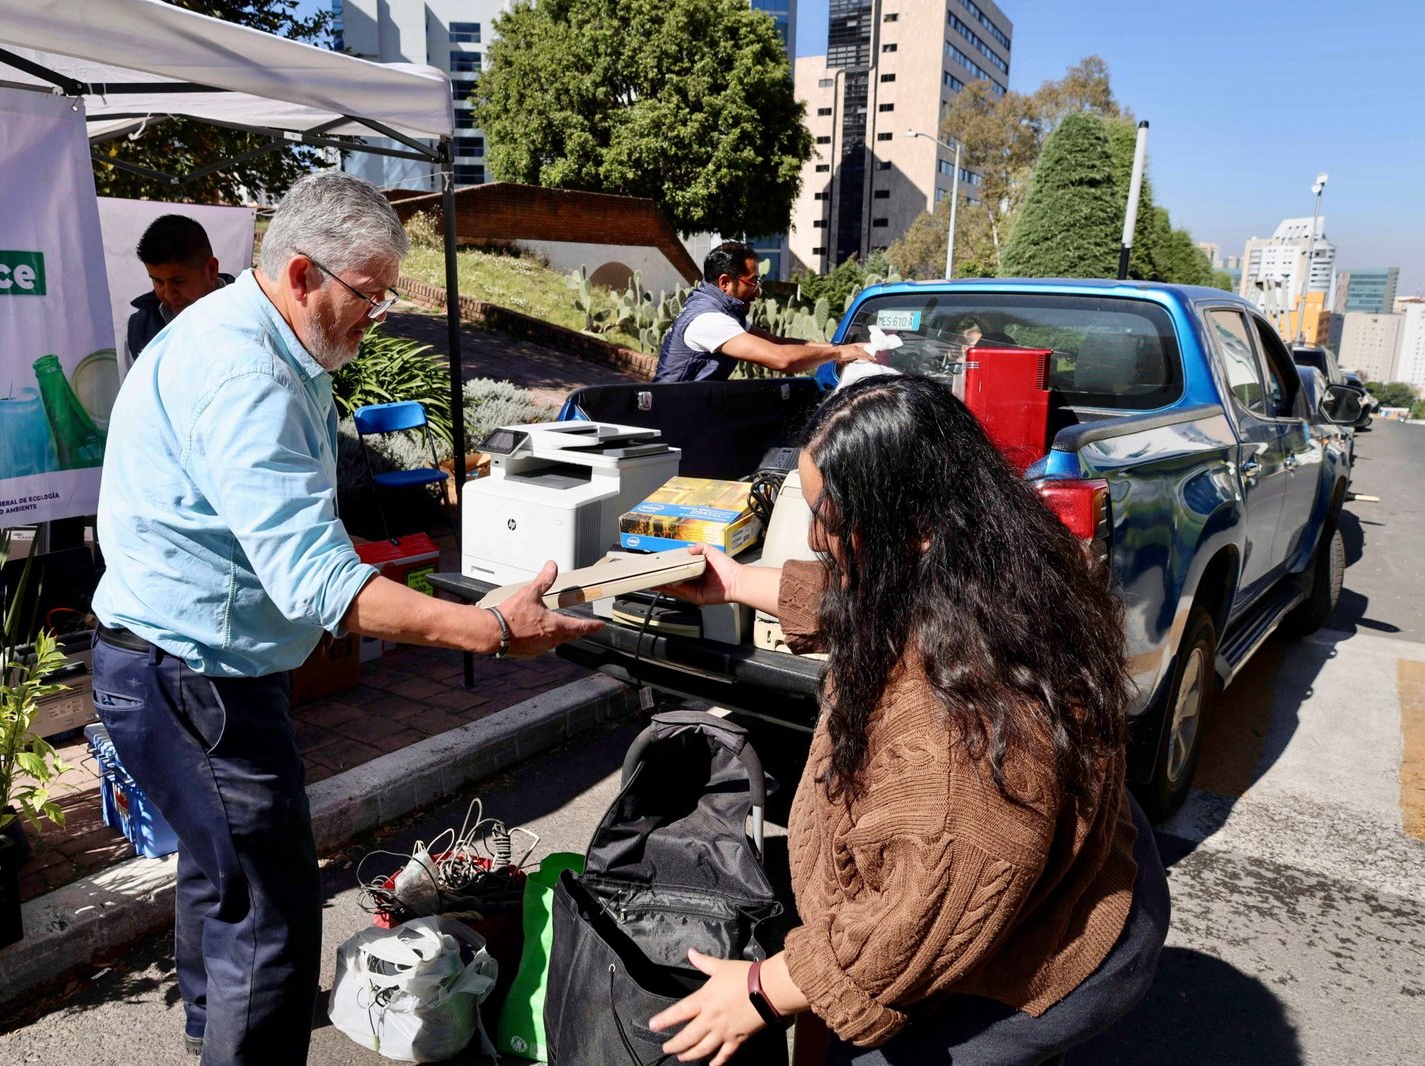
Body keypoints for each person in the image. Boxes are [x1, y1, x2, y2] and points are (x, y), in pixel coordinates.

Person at [91, 172, 602, 1065]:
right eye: (367, 293)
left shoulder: (237, 335)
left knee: (227, 883)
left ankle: (215, 1037)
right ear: (299, 274)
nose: (378, 314)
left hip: (175, 665)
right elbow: (322, 586)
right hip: (193, 680)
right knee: (269, 915)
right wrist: (488, 627)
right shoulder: (249, 372)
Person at [648, 375, 1169, 1066]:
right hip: (1059, 876)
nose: (812, 538)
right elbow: (865, 600)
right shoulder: (985, 566)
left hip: (1022, 957)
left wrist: (759, 989)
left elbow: (905, 932)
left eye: (829, 520)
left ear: (916, 529)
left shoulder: (963, 751)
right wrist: (737, 585)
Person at [654, 241, 873, 382]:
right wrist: (838, 354)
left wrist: (846, 348)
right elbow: (781, 359)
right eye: (752, 282)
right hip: (673, 421)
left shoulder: (719, 310)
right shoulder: (709, 320)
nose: (757, 293)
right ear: (725, 282)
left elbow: (776, 342)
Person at [127, 214, 235, 360]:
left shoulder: (250, 319)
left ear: (211, 269)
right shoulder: (138, 329)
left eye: (178, 281)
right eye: (158, 282)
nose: (169, 294)